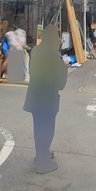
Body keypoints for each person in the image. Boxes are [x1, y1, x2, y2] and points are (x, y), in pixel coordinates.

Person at [22, 25, 68, 173]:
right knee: (47, 129)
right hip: (48, 99)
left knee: (38, 128)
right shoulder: (54, 56)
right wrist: (64, 66)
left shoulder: (36, 51)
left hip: (35, 97)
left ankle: (42, 155)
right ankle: (43, 163)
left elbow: (33, 72)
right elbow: (61, 84)